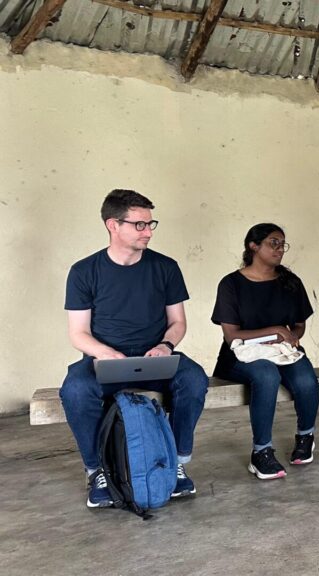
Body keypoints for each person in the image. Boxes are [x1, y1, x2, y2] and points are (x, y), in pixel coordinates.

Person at [60, 189, 209, 508]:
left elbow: (178, 322)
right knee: (75, 390)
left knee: (194, 380)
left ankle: (177, 462)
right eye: (139, 225)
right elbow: (79, 333)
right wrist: (103, 353)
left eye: (151, 223)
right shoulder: (84, 271)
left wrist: (166, 345)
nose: (149, 231)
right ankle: (95, 470)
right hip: (104, 360)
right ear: (113, 225)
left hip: (155, 357)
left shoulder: (165, 267)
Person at [211, 223, 319, 480]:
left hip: (281, 351)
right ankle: (261, 453)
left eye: (283, 244)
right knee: (266, 374)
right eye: (273, 242)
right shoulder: (231, 284)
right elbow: (232, 336)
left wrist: (290, 336)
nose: (280, 249)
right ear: (253, 246)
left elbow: (300, 324)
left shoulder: (290, 282)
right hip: (241, 355)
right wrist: (273, 330)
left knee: (305, 379)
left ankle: (306, 437)